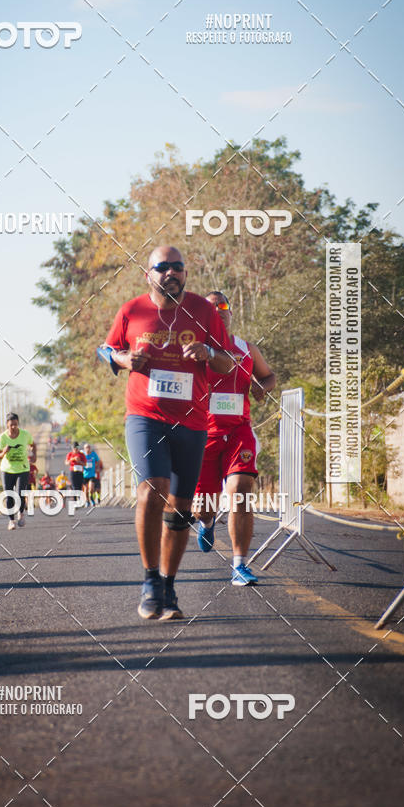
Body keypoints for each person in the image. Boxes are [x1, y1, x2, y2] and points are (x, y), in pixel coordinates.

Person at [104, 245, 232, 621]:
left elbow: (227, 361)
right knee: (150, 489)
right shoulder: (132, 310)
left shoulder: (205, 310)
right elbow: (106, 349)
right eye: (163, 268)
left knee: (180, 510)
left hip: (192, 420)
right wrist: (125, 358)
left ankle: (169, 586)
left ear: (185, 273)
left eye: (178, 267)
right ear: (149, 274)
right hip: (144, 415)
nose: (171, 273)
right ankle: (149, 582)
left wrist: (208, 352)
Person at [194, 291, 276, 585]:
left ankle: (239, 565)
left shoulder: (247, 349)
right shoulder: (195, 350)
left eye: (223, 305)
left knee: (241, 491)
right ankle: (206, 522)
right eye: (211, 306)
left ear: (231, 312)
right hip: (202, 434)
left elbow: (269, 376)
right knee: (204, 506)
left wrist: (262, 388)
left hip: (239, 431)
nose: (218, 310)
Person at [0, 413, 34, 530]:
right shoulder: (2, 437)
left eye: (15, 424)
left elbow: (33, 445)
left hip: (22, 469)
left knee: (19, 493)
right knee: (9, 495)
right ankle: (11, 521)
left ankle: (21, 513)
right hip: (7, 470)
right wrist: (4, 452)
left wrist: (34, 456)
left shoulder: (25, 435)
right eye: (11, 425)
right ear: (7, 425)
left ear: (18, 424)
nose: (13, 427)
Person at [83, 442, 102, 506]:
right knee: (86, 490)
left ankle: (92, 499)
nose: (87, 449)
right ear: (84, 449)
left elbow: (98, 461)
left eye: (88, 447)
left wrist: (97, 467)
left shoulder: (93, 454)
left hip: (92, 474)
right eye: (86, 448)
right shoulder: (83, 455)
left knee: (91, 488)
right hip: (84, 475)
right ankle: (87, 501)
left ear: (90, 448)